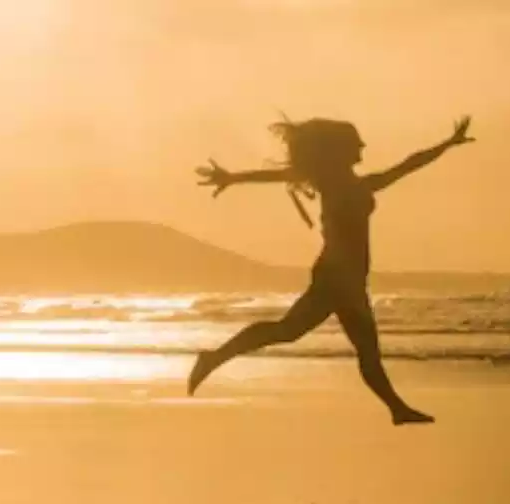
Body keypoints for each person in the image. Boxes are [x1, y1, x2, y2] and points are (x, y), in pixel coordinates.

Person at [188, 115, 475, 425]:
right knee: (297, 332)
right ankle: (214, 357)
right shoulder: (330, 182)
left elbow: (408, 165)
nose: (362, 147)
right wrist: (232, 178)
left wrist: (447, 144)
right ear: (338, 151)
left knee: (330, 340)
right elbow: (277, 175)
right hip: (336, 278)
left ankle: (397, 409)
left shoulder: (360, 184)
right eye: (355, 143)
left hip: (349, 279)